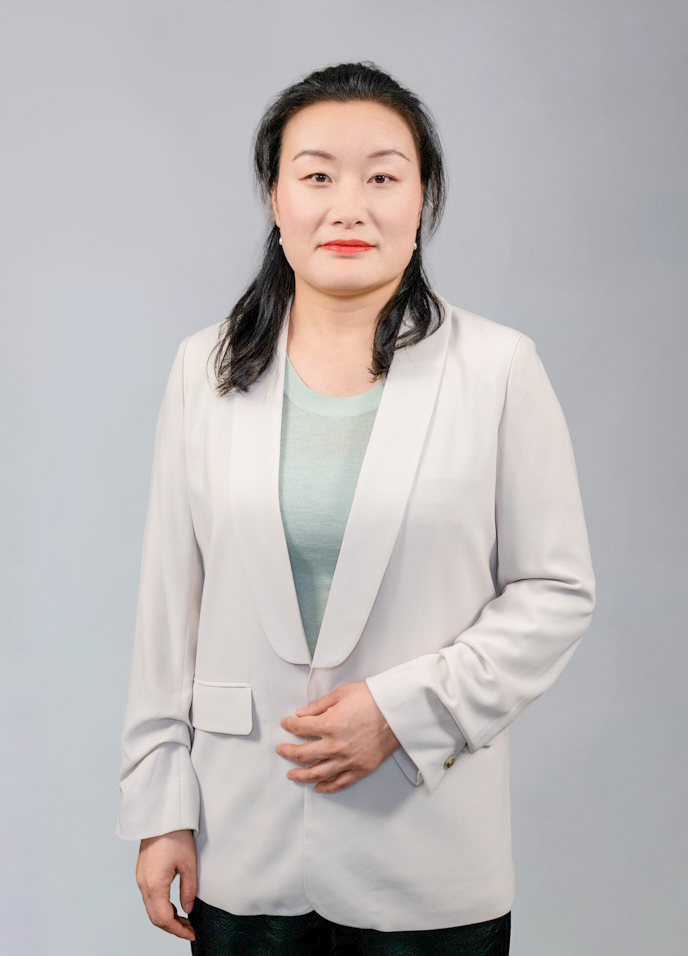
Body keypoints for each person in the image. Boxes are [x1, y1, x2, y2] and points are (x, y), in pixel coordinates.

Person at [115, 61, 595, 955]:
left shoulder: (497, 369)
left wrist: (406, 712)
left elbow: (556, 591)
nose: (349, 207)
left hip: (424, 845)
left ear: (422, 200)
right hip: (239, 834)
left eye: (381, 176)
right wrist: (158, 802)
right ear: (276, 199)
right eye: (317, 176)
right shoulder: (203, 370)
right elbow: (166, 608)